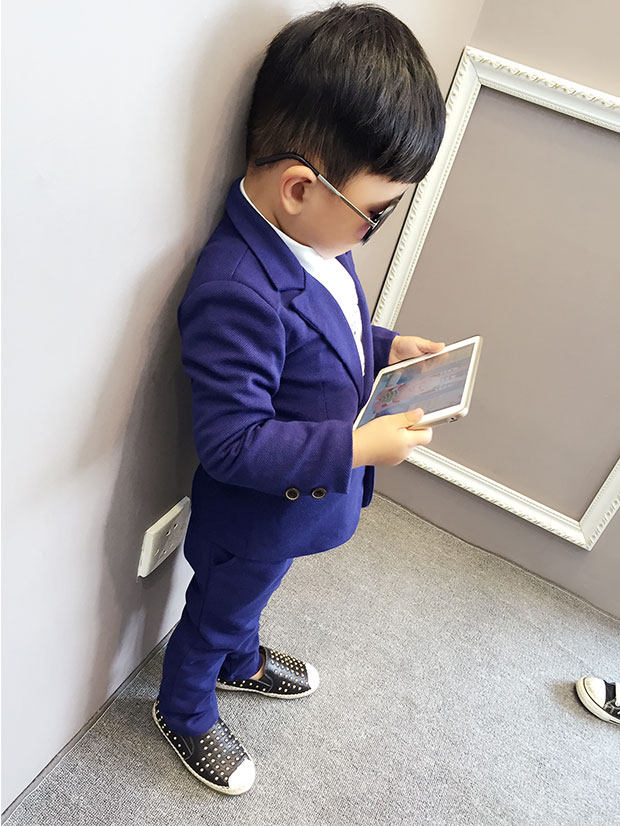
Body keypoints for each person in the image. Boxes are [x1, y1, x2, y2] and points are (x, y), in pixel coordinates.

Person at [153, 3, 446, 795]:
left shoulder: (316, 239)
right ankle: (184, 707)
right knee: (218, 608)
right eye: (375, 215)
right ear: (299, 189)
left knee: (254, 593)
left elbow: (328, 332)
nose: (373, 230)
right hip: (254, 513)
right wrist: (356, 447)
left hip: (287, 513)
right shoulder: (235, 289)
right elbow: (232, 443)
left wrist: (386, 347)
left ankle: (242, 660)